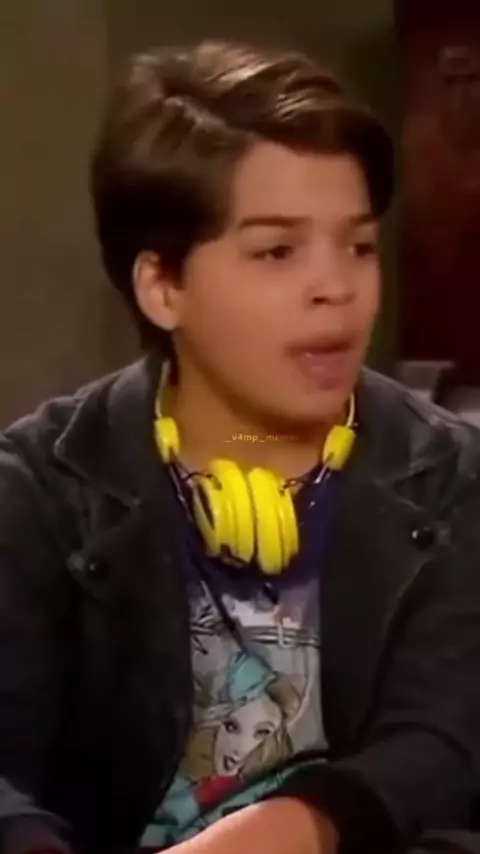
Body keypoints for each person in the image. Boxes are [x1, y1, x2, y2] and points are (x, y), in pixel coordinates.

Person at [1, 38, 480, 854]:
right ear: (163, 286)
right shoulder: (43, 489)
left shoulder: (451, 477)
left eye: (359, 246)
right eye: (277, 251)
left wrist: (288, 829)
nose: (337, 288)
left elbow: (438, 746)